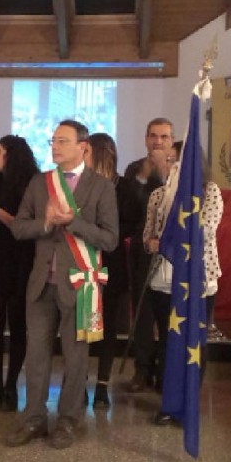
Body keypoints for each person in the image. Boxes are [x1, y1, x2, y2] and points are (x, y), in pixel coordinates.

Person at [6, 120, 118, 450]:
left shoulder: (101, 187)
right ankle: (34, 417)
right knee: (36, 354)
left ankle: (68, 420)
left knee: (75, 356)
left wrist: (74, 223)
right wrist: (45, 223)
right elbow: (18, 228)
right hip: (41, 284)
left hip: (80, 285)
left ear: (83, 147)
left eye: (62, 141)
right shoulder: (40, 183)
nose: (54, 146)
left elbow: (110, 239)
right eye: (52, 141)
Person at [147, 143, 224, 425]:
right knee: (168, 342)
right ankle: (169, 403)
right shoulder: (158, 194)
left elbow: (205, 230)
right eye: (169, 161)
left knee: (194, 342)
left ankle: (188, 402)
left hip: (197, 278)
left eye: (177, 161)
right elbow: (148, 233)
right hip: (163, 278)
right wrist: (151, 242)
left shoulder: (209, 191)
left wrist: (173, 235)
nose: (172, 166)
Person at [0, 135, 37, 412]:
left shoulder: (32, 186)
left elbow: (31, 228)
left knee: (17, 326)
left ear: (12, 156)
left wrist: (1, 215)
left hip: (21, 262)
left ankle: (12, 384)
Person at [84, 132, 137, 409]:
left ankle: (102, 385)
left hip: (112, 263)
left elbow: (133, 222)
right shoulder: (80, 184)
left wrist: (106, 232)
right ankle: (78, 380)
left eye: (87, 151)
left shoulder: (124, 187)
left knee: (108, 328)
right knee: (83, 325)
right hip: (83, 262)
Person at [123, 117, 175, 391]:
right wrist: (146, 177)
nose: (158, 141)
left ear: (171, 140)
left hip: (173, 253)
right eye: (153, 136)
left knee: (168, 315)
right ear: (146, 139)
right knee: (143, 313)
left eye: (164, 136)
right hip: (143, 250)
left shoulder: (180, 170)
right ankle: (142, 370)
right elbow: (132, 209)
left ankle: (166, 371)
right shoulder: (135, 169)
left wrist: (164, 173)